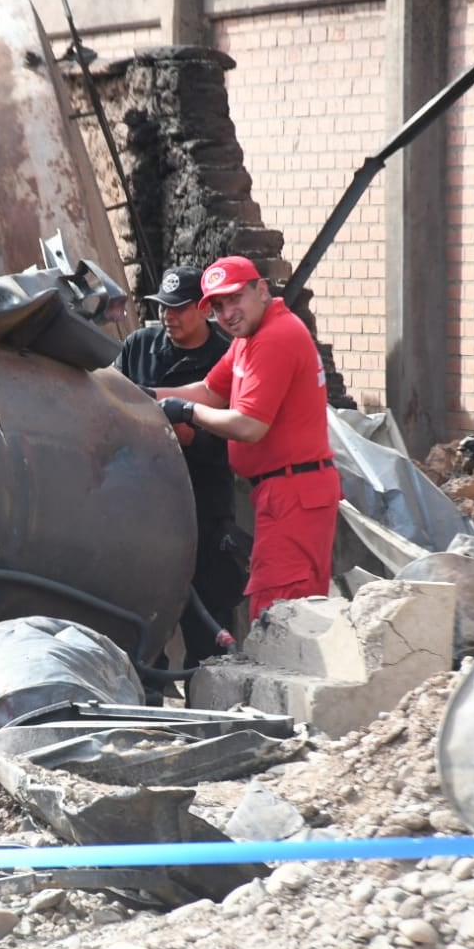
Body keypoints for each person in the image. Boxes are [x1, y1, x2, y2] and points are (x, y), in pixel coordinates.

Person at [154, 256, 340, 620]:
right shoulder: (250, 337)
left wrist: (186, 412)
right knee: (297, 617)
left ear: (262, 290)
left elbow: (249, 426)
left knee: (279, 616)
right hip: (288, 491)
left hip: (293, 494)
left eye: (235, 298)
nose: (227, 313)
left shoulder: (274, 338)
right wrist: (144, 396)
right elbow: (209, 390)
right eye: (219, 306)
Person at [115, 266, 244, 665]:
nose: (168, 316)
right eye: (162, 308)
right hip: (144, 506)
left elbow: (223, 431)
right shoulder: (139, 346)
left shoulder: (224, 358)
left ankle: (209, 704)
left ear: (204, 310)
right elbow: (113, 402)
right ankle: (149, 700)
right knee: (141, 615)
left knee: (207, 622)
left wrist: (179, 423)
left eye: (179, 308)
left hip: (202, 506)